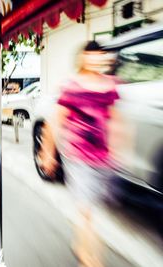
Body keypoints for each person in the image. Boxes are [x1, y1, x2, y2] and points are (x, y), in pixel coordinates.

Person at [56, 41, 119, 267]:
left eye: (99, 55)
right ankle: (91, 261)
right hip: (77, 156)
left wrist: (119, 149)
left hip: (103, 158)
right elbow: (57, 120)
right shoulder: (72, 86)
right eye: (91, 55)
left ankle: (82, 247)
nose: (96, 59)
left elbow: (115, 119)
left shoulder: (110, 85)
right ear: (83, 57)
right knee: (87, 212)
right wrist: (47, 152)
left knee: (91, 210)